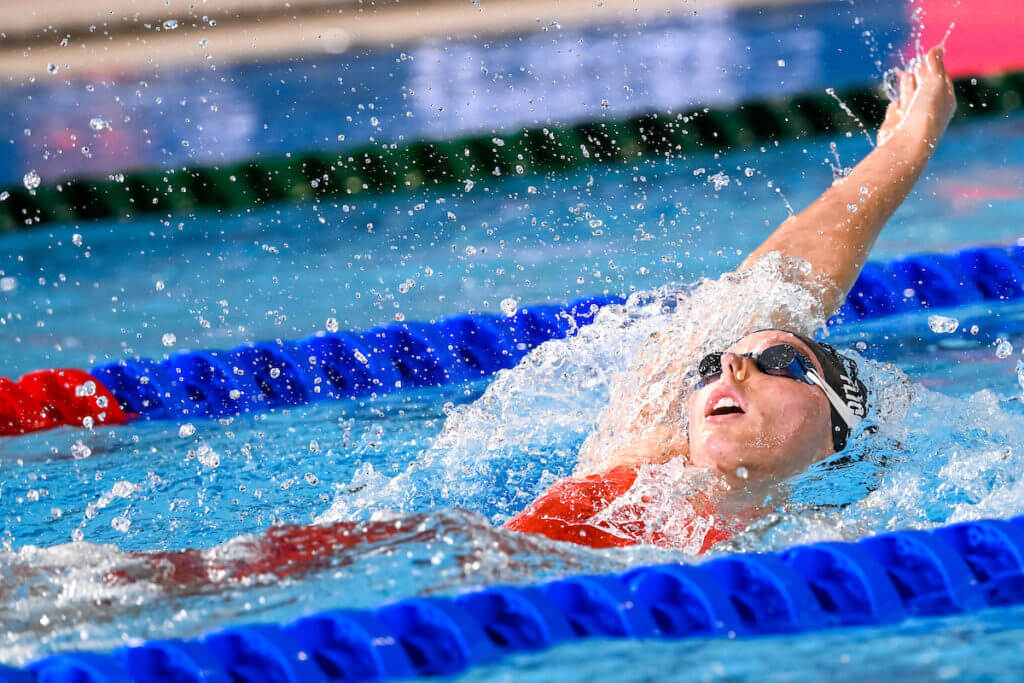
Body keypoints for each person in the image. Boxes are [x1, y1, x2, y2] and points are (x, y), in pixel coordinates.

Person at [506, 45, 958, 550]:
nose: (728, 367)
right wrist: (904, 149)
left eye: (781, 360)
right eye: (710, 367)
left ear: (837, 434)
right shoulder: (626, 485)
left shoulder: (841, 551)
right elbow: (769, 288)